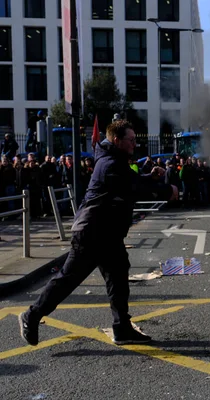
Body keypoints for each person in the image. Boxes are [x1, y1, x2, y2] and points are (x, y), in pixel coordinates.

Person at [18, 120, 166, 346]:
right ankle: (31, 315)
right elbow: (131, 187)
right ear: (117, 140)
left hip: (107, 233)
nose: (135, 144)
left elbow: (131, 181)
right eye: (131, 140)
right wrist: (167, 188)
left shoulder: (113, 159)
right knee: (68, 280)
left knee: (118, 277)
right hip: (92, 232)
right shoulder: (110, 163)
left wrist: (151, 178)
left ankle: (122, 328)